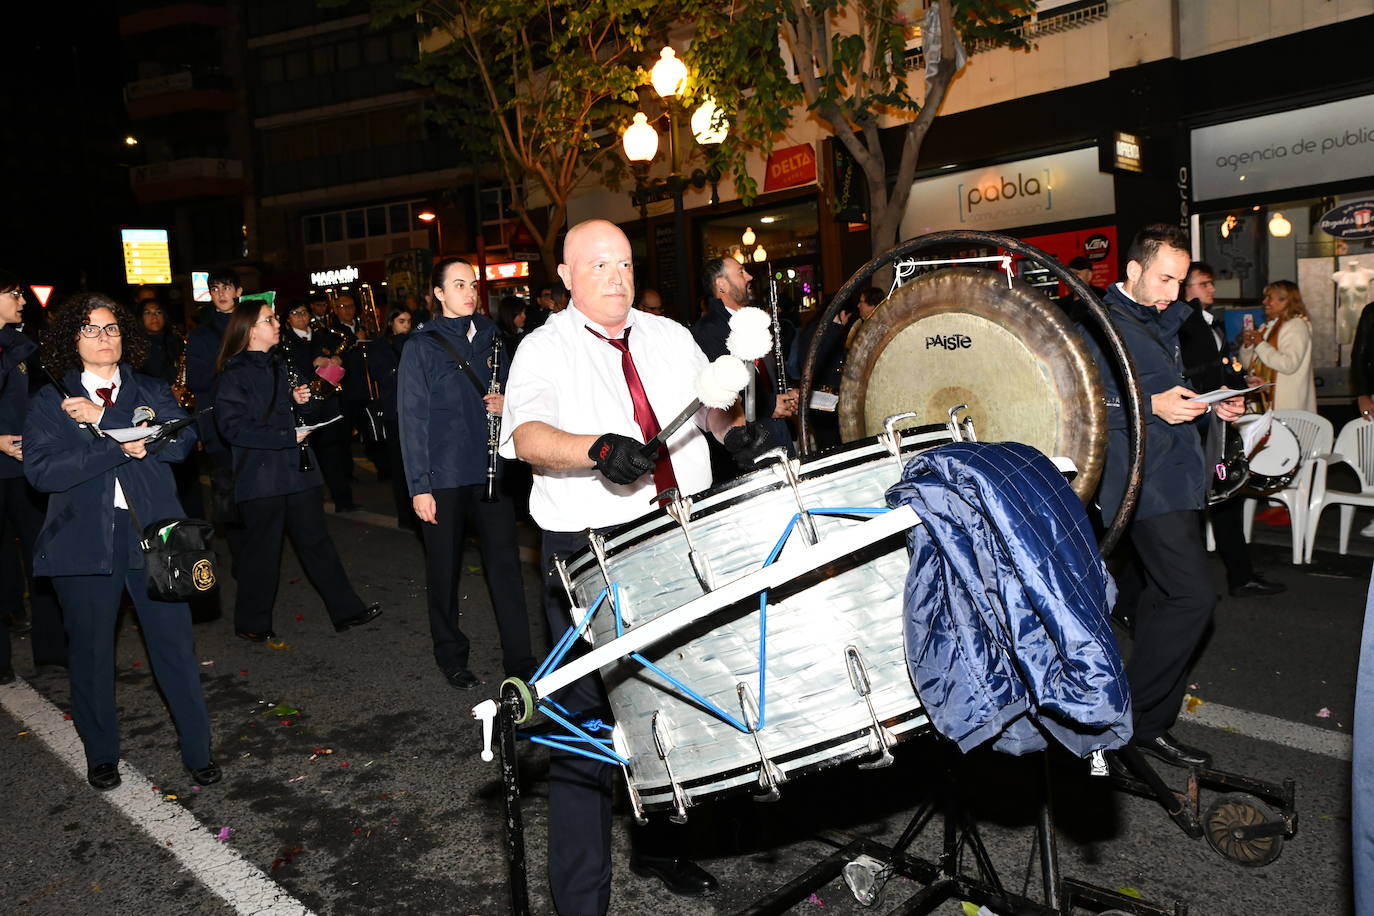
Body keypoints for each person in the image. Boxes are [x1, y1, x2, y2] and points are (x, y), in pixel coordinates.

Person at [503, 219, 774, 915]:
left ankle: (664, 848)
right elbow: (526, 435)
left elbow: (712, 407)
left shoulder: (669, 336)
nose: (617, 277)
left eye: (623, 263)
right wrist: (596, 448)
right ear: (566, 276)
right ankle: (581, 901)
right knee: (585, 729)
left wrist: (736, 432)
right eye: (598, 266)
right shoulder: (544, 348)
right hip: (590, 552)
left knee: (677, 706)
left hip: (677, 538)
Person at [24, 292, 215, 791]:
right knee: (89, 654)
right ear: (72, 340)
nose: (104, 338)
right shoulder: (50, 401)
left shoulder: (149, 389)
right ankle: (102, 753)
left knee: (174, 647)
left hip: (155, 538)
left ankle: (198, 751)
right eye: (91, 329)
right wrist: (116, 449)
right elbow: (42, 473)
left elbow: (180, 444)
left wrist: (104, 421)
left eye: (111, 329)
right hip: (84, 542)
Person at [1090, 224, 1246, 770]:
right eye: (1164, 278)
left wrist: (1213, 403)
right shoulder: (1099, 320)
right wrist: (1150, 407)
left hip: (1179, 473)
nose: (1173, 291)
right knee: (1193, 599)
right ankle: (1122, 720)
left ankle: (1150, 726)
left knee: (1162, 598)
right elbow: (1080, 400)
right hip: (1140, 479)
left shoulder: (1163, 321)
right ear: (1132, 270)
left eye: (1180, 281)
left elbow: (1169, 387)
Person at [399, 259, 535, 689]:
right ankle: (451, 654)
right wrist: (420, 487)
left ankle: (521, 659)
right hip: (443, 475)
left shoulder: (494, 338)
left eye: (472, 284)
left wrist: (506, 403)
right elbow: (412, 418)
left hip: (491, 470)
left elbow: (519, 393)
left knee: (506, 568)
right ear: (438, 294)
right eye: (458, 284)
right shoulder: (421, 346)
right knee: (444, 569)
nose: (469, 291)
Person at [213, 298, 382, 642]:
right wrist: (284, 434)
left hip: (298, 468)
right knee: (262, 552)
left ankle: (346, 610)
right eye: (269, 319)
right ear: (249, 330)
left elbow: (298, 410)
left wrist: (300, 401)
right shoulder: (233, 375)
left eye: (275, 318)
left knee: (317, 542)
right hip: (261, 475)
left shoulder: (281, 363)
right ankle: (252, 623)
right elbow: (233, 428)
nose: (277, 324)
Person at [1178, 262, 1285, 598]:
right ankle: (1195, 585)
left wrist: (1240, 382)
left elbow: (1219, 369)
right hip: (1198, 426)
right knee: (1199, 507)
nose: (1212, 289)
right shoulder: (1185, 323)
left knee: (1226, 499)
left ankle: (1239, 575)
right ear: (1187, 287)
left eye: (1211, 283)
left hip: (1217, 424)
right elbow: (1195, 373)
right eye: (1204, 283)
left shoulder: (1208, 323)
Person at [0, 272, 65, 684]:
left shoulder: (19, 346)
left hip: (24, 467)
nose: (21, 300)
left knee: (43, 554)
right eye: (12, 294)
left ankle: (52, 650)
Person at [694, 257, 799, 463]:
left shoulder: (750, 320)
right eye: (741, 272)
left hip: (778, 432)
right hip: (751, 444)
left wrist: (787, 392)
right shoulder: (707, 330)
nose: (749, 277)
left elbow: (765, 374)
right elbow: (720, 394)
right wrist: (769, 405)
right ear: (721, 284)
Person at [185, 269, 245, 549]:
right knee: (228, 495)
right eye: (215, 289)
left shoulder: (254, 324)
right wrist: (226, 359)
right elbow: (196, 380)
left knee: (258, 492)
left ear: (239, 291)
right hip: (219, 424)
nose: (221, 294)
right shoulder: (201, 333)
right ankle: (240, 557)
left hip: (253, 420)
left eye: (226, 287)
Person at [366, 306, 416, 530]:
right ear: (390, 322)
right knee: (399, 466)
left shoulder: (414, 342)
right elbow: (383, 376)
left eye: (408, 321)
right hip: (394, 411)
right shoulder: (379, 346)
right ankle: (405, 515)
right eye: (401, 321)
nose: (406, 326)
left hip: (415, 410)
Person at [1239, 280, 1317, 413]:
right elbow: (1247, 365)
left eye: (1269, 297)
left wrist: (1260, 343)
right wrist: (1248, 346)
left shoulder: (1296, 326)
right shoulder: (1267, 327)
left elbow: (1288, 365)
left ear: (1286, 301)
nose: (1264, 302)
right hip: (1267, 405)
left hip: (1288, 408)